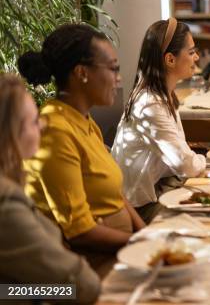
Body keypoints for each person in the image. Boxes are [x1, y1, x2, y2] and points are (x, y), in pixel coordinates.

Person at [18, 24, 145, 275]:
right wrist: (140, 243)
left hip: (123, 250)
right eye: (113, 68)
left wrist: (147, 233)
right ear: (81, 73)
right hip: (87, 267)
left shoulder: (84, 121)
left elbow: (114, 195)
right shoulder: (54, 130)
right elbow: (78, 231)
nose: (119, 77)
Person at [0, 74, 100, 303]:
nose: (43, 125)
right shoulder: (5, 202)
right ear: (12, 134)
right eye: (34, 121)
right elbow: (84, 286)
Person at [112, 18, 206, 223]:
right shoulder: (149, 104)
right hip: (140, 209)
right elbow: (186, 166)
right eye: (191, 52)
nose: (196, 57)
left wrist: (196, 160)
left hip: (160, 190)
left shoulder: (161, 95)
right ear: (170, 59)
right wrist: (203, 161)